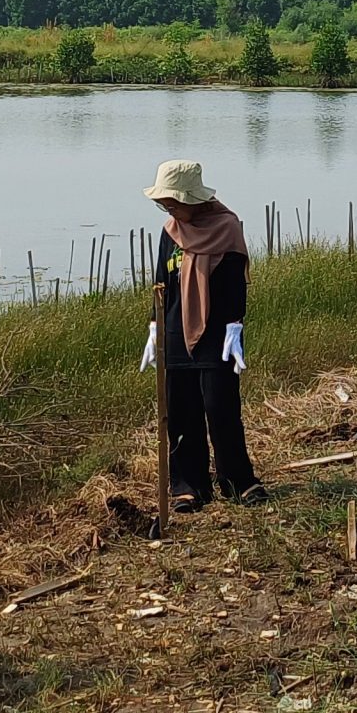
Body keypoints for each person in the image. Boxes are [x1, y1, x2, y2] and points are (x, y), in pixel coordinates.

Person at [140, 159, 263, 510]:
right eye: (164, 204)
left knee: (220, 407)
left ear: (193, 199)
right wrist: (155, 327)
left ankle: (237, 481)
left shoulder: (227, 228)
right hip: (176, 333)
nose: (168, 209)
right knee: (180, 411)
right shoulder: (170, 232)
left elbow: (235, 287)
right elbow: (161, 285)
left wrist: (235, 329)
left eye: (173, 202)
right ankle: (188, 485)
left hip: (218, 335)